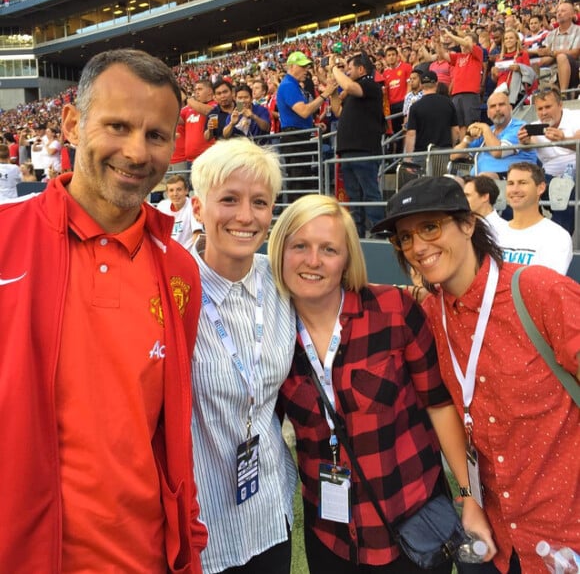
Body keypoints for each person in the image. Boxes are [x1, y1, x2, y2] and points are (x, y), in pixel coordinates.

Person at [0, 49, 207, 572]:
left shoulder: (180, 269)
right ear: (71, 123)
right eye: (117, 126)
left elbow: (167, 426)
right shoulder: (5, 239)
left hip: (143, 557)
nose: (136, 152)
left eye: (156, 135)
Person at [268, 194, 495, 574]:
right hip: (331, 533)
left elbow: (439, 406)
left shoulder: (393, 310)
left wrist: (470, 496)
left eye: (328, 249)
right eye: (300, 246)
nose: (313, 261)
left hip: (412, 520)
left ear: (346, 260)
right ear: (279, 250)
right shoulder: (269, 332)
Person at [376, 175, 580, 574]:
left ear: (468, 224)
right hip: (493, 542)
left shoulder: (538, 291)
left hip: (566, 536)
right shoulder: (432, 317)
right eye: (404, 237)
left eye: (430, 227)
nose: (418, 247)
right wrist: (469, 498)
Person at [189, 137, 297, 573]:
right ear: (198, 208)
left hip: (271, 511)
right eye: (229, 199)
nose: (246, 217)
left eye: (260, 202)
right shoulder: (170, 288)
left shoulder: (283, 280)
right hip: (203, 525)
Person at [328, 52, 385, 237]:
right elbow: (338, 111)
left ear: (361, 69)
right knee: (355, 197)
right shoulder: (353, 92)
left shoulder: (369, 85)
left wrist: (335, 68)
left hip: (364, 150)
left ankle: (380, 234)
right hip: (348, 151)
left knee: (370, 195)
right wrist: (333, 91)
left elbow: (349, 85)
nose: (347, 71)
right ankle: (357, 236)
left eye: (350, 69)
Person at [517, 85, 580, 234]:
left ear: (560, 105)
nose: (544, 113)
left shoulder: (575, 116)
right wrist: (524, 143)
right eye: (539, 109)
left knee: (564, 190)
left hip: (576, 175)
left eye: (548, 107)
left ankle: (555, 239)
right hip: (548, 179)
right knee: (520, 187)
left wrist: (563, 139)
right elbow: (528, 146)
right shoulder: (534, 127)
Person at [276, 51, 337, 202]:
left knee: (303, 180)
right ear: (292, 66)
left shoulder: (293, 85)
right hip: (295, 139)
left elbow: (299, 114)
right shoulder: (289, 85)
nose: (306, 70)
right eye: (302, 67)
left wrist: (312, 124)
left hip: (299, 136)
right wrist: (325, 95)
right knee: (298, 182)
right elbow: (303, 111)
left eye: (307, 67)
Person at [501, 162, 572, 274]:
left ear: (540, 188)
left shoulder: (557, 236)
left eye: (522, 183)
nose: (515, 189)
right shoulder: (495, 232)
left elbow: (546, 286)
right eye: (510, 183)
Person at [452, 91, 536, 179]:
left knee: (483, 178)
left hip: (511, 179)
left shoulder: (519, 127)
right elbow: (454, 156)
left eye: (501, 104)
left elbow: (498, 152)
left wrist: (484, 128)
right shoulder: (489, 131)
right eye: (493, 106)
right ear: (488, 113)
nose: (497, 109)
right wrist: (467, 139)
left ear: (510, 109)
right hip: (479, 180)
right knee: (450, 180)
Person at [436, 30, 485, 137]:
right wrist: (438, 44)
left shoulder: (478, 53)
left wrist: (450, 35)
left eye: (466, 40)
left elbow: (467, 44)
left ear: (474, 44)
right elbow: (443, 55)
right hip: (456, 94)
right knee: (460, 125)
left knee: (472, 124)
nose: (463, 43)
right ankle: (463, 151)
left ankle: (473, 151)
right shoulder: (458, 56)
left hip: (470, 94)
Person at [404, 70, 460, 163]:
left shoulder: (415, 107)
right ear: (437, 84)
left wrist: (408, 157)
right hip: (444, 152)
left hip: (421, 154)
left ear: (421, 85)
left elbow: (411, 134)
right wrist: (452, 147)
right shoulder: (448, 103)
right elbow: (456, 130)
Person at [534, 1, 580, 96]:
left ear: (572, 14)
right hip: (553, 70)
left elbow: (575, 53)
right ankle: (532, 96)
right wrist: (552, 54)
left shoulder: (578, 31)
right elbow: (544, 58)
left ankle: (563, 94)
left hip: (574, 70)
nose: (559, 13)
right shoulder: (551, 34)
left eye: (563, 11)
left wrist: (553, 53)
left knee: (562, 57)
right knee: (532, 64)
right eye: (558, 11)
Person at [157, 174, 203, 252]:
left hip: (186, 255)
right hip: (166, 255)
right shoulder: (162, 206)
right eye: (171, 190)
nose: (175, 194)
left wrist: (193, 258)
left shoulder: (193, 206)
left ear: (186, 191)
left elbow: (197, 234)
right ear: (167, 193)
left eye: (179, 189)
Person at [462, 175, 508, 239]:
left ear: (485, 197)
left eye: (467, 195)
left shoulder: (504, 230)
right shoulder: (461, 226)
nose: (462, 199)